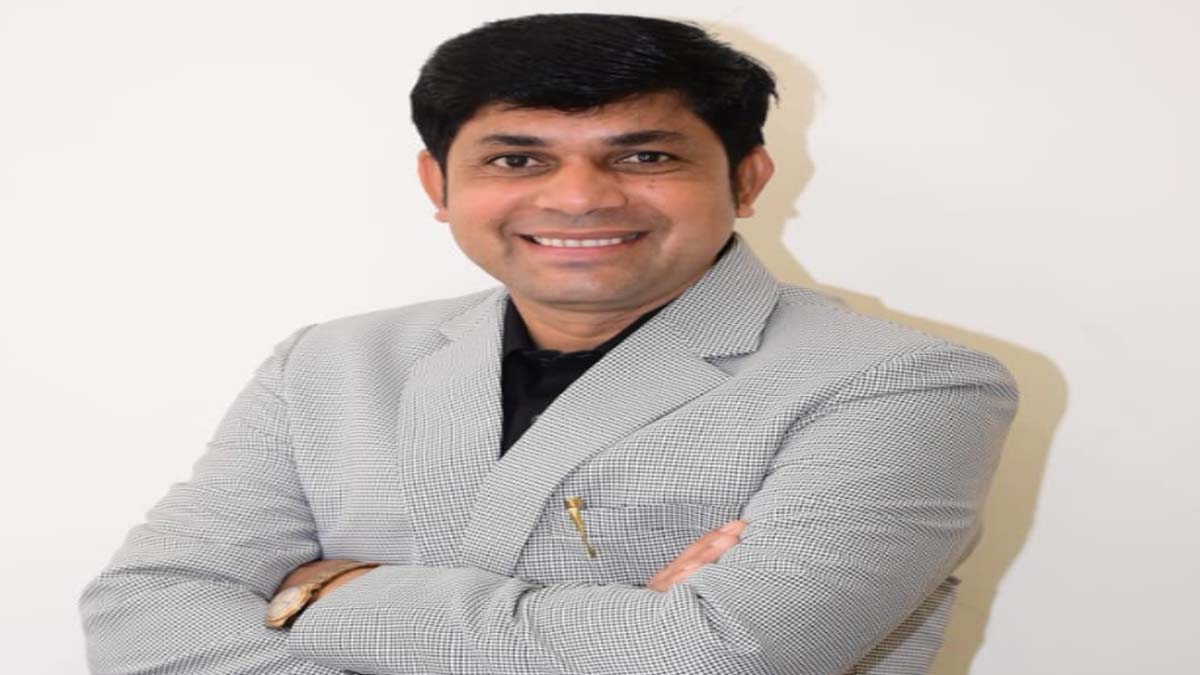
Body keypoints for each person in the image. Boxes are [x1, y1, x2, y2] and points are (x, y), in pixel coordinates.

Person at [79, 12, 1019, 675]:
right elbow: (145, 612)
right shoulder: (328, 364)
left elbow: (723, 655)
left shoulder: (899, 384)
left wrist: (330, 594)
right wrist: (629, 629)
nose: (578, 197)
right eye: (517, 158)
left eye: (644, 155)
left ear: (746, 178)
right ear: (438, 184)